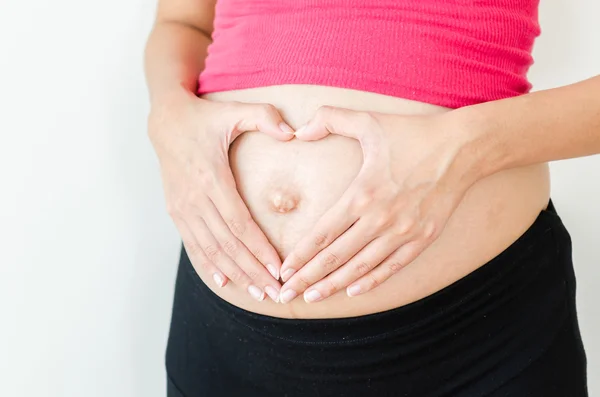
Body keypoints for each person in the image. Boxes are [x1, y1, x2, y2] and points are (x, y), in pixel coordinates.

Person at [144, 0, 595, 395]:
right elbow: (183, 20)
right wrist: (168, 114)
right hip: (222, 333)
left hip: (475, 340)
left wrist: (461, 148)